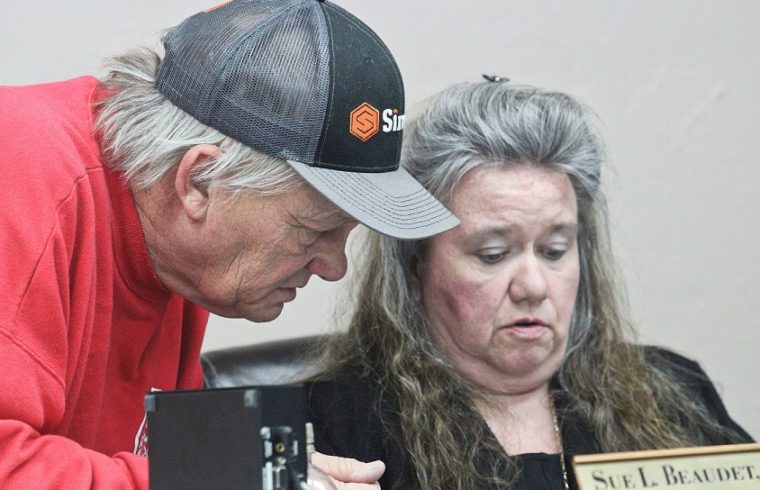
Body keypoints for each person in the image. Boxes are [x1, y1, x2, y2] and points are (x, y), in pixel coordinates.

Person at [0, 1, 458, 488]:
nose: (334, 267)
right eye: (315, 230)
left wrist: (281, 475)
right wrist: (244, 479)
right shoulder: (19, 172)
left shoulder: (178, 252)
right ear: (198, 181)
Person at [305, 79, 753, 490]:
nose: (533, 287)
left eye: (555, 250)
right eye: (493, 255)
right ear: (417, 263)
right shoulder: (337, 423)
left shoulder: (672, 390)